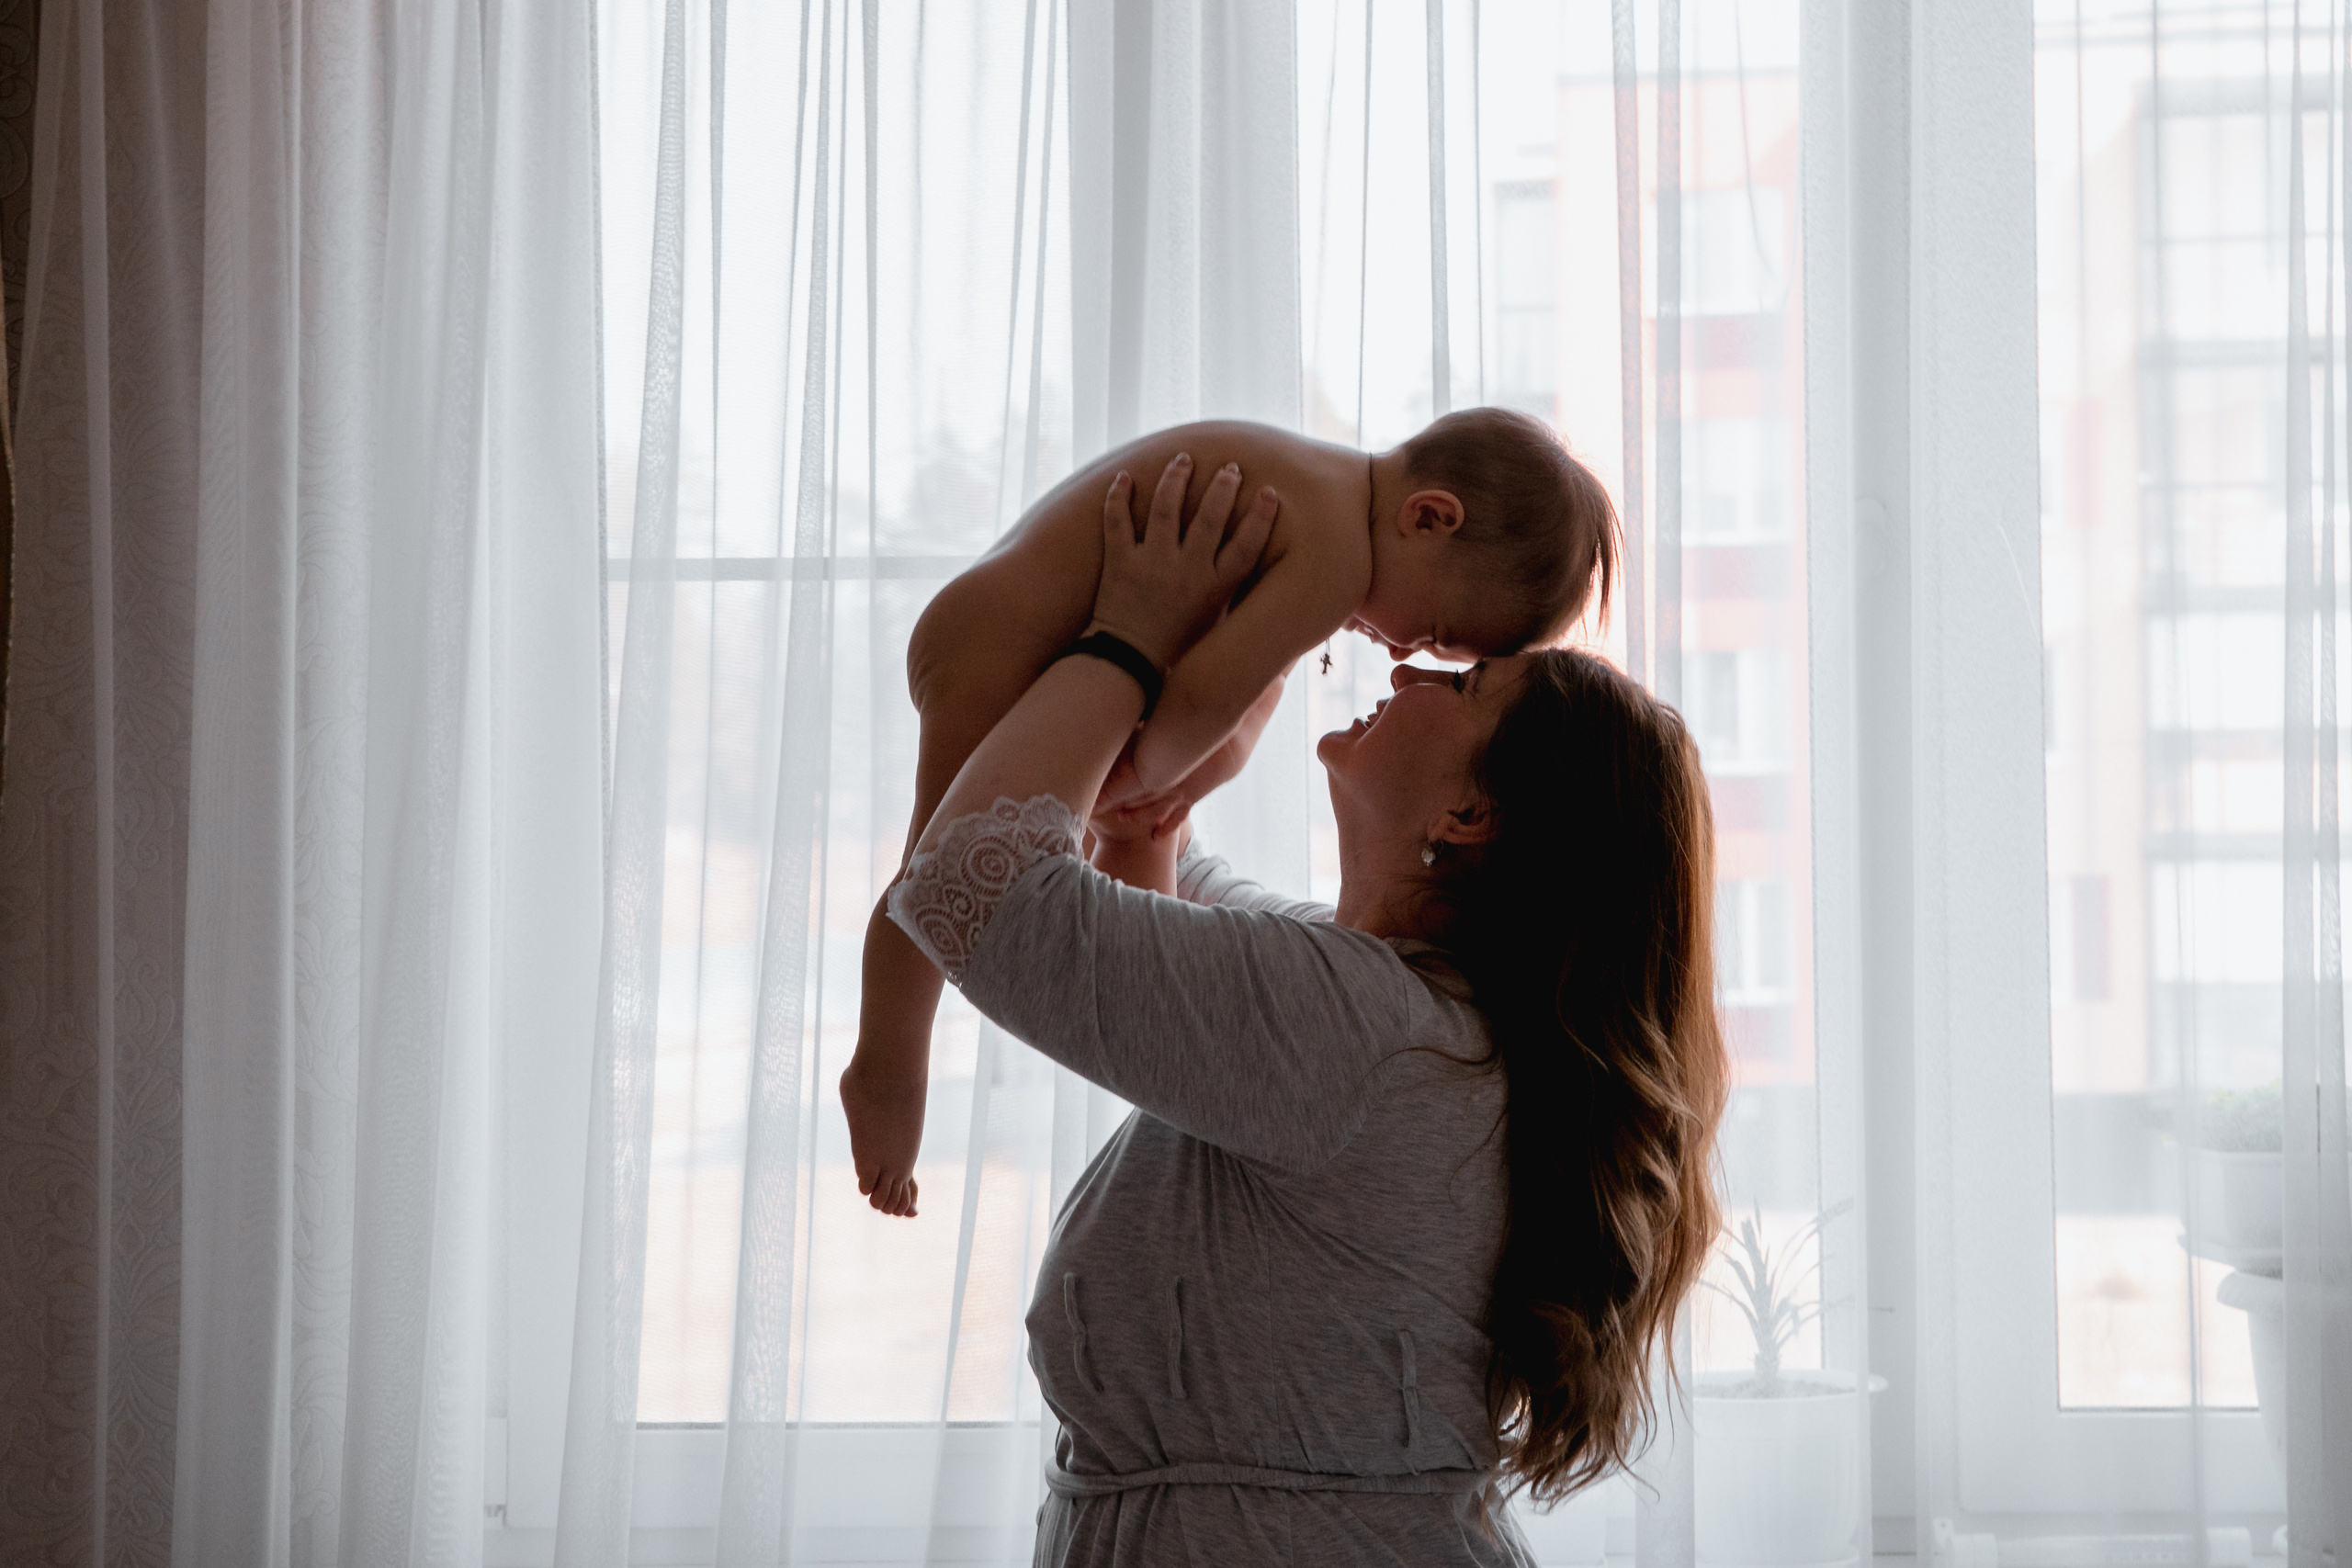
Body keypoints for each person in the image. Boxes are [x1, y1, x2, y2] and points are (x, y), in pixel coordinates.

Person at [885, 456, 1728, 1562]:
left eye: (1465, 689)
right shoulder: (1386, 1015)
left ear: (1473, 810)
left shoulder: (1362, 1031)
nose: (1422, 674)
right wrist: (1207, 700)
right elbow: (1144, 867)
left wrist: (1128, 637)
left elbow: (968, 888)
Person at [844, 410, 1620, 1216]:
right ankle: (888, 1064)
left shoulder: (1318, 490)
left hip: (999, 623)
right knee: (929, 876)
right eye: (1430, 634)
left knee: (947, 865)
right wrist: (1138, 770)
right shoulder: (1335, 555)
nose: (1398, 660)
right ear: (1429, 517)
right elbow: (1205, 698)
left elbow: (1244, 696)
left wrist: (1162, 785)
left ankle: (889, 1054)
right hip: (999, 645)